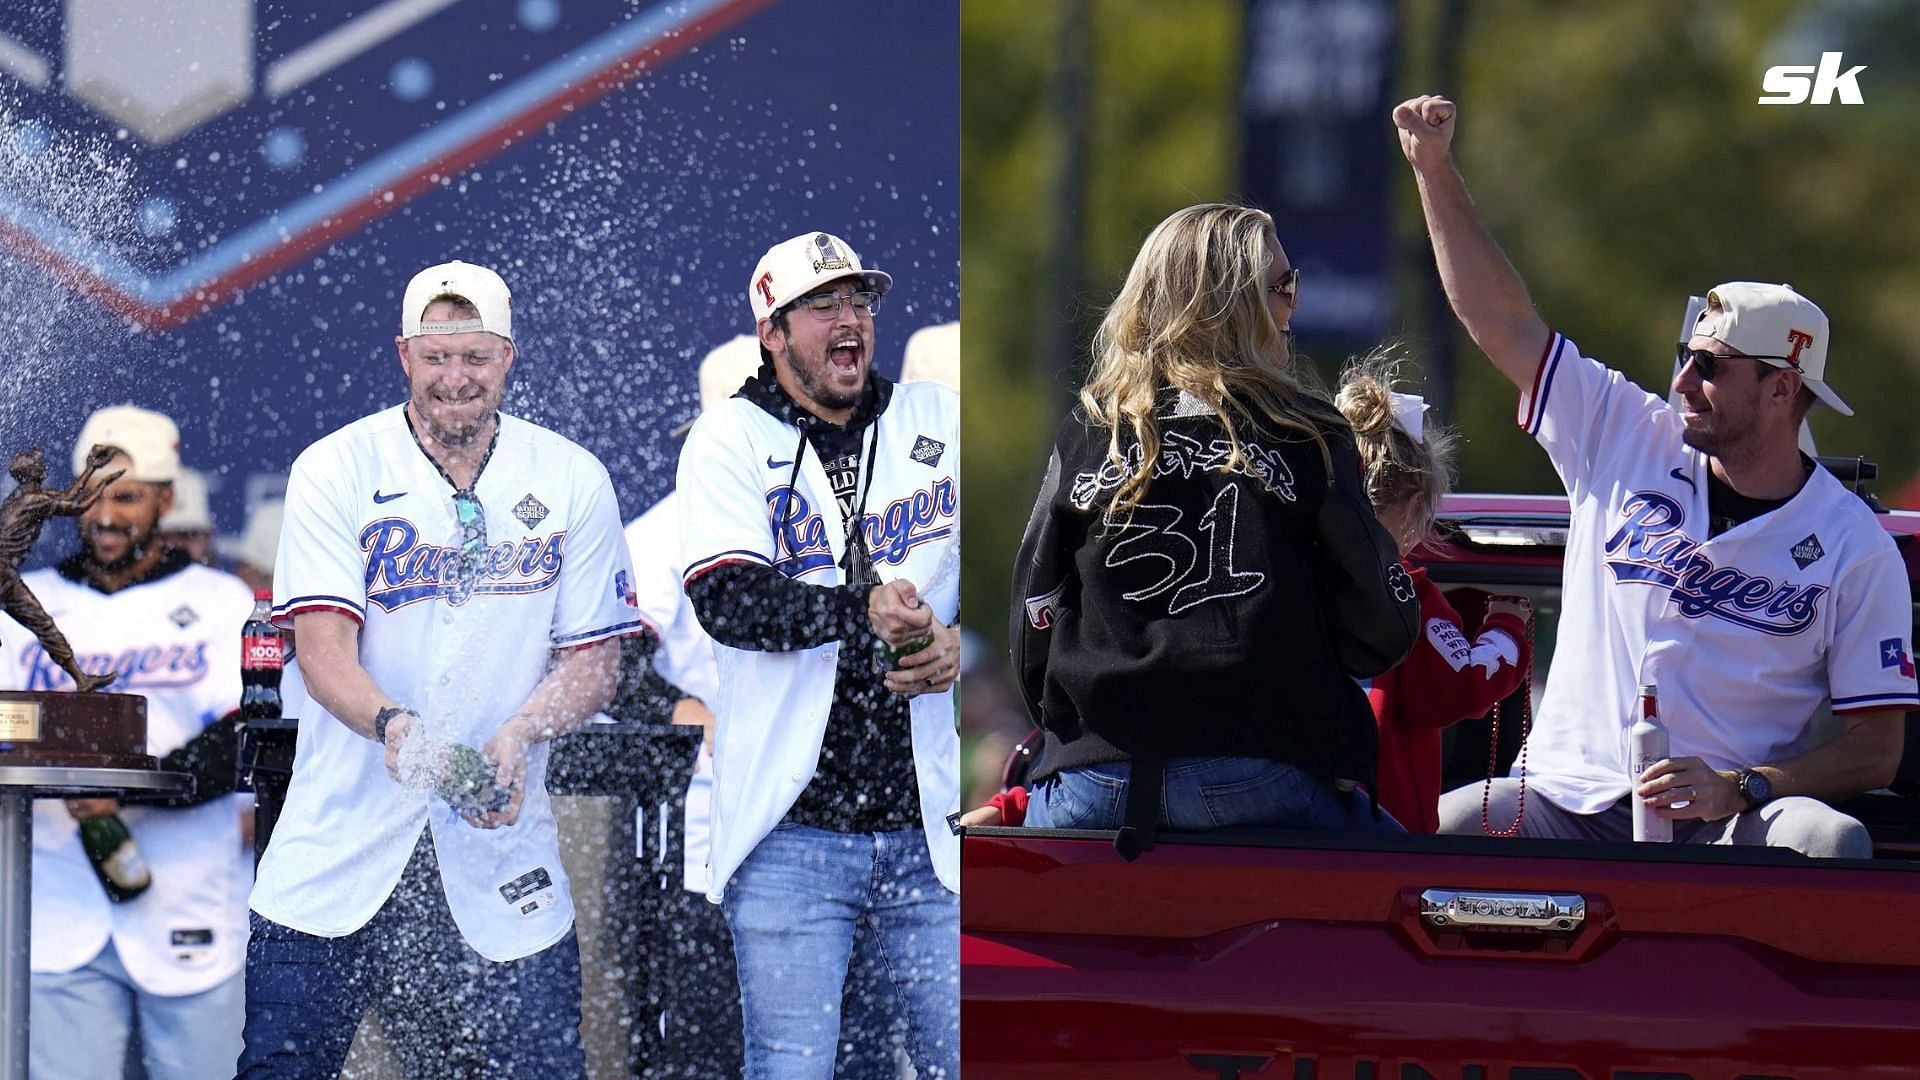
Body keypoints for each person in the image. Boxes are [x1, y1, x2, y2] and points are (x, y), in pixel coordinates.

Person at [1395, 95, 1915, 855]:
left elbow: (1876, 750)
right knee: (1435, 828)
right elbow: (1500, 319)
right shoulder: (1622, 431)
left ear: (1781, 389)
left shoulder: (1852, 544)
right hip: (1561, 800)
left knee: (1830, 842)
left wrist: (1747, 785)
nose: (1683, 383)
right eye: (1684, 359)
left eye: (1710, 367)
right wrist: (1432, 170)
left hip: (1729, 820)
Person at [237, 260, 644, 1078]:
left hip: (501, 851)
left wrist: (523, 731)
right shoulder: (337, 467)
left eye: (475, 356)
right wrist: (399, 729)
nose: (454, 377)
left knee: (542, 1067)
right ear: (403, 356)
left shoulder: (571, 476)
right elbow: (321, 652)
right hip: (340, 846)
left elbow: (595, 661)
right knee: (283, 1068)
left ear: (507, 357)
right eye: (436, 356)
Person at [1010, 202, 1419, 842]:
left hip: (1092, 785)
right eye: (1283, 288)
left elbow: (1033, 613)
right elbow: (1383, 628)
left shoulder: (1091, 433)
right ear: (1237, 307)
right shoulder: (1308, 432)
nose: (1294, 306)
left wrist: (1082, 732)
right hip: (1260, 774)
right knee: (1421, 891)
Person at [679, 230, 960, 1078]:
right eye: (823, 306)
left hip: (927, 835)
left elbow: (1023, 571)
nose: (850, 320)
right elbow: (728, 599)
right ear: (773, 329)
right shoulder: (727, 438)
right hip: (791, 838)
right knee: (795, 1067)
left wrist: (957, 643)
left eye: (859, 301)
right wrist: (860, 610)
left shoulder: (938, 417)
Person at [2, 405, 255, 1080]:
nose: (105, 515)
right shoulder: (28, 601)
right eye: (90, 497)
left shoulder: (220, 601)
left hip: (190, 898)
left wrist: (122, 791)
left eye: (127, 496)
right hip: (55, 906)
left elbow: (242, 738)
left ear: (166, 499)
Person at [1332, 357, 1533, 834]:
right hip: (1383, 829)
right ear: (1415, 505)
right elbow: (1463, 684)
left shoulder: (1294, 576)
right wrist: (1506, 624)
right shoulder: (1408, 595)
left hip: (1297, 824)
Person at [155, 466, 216, 565]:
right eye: (164, 537)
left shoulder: (227, 581)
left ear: (207, 537)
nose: (174, 546)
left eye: (186, 536)